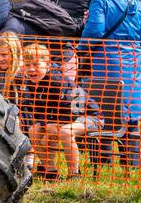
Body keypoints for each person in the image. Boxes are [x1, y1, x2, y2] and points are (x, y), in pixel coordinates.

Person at [81, 0, 141, 169]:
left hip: (106, 60)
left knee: (105, 109)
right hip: (132, 62)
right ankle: (132, 162)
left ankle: (103, 161)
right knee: (131, 111)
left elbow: (95, 31)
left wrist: (82, 48)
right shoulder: (135, 2)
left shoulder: (100, 1)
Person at [18, 42, 103, 180]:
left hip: (90, 118)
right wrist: (46, 125)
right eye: (28, 65)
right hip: (60, 120)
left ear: (48, 65)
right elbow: (37, 110)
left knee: (65, 131)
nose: (31, 69)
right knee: (34, 130)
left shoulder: (58, 81)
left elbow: (76, 109)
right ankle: (50, 170)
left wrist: (56, 124)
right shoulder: (31, 83)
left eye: (36, 65)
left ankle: (74, 173)